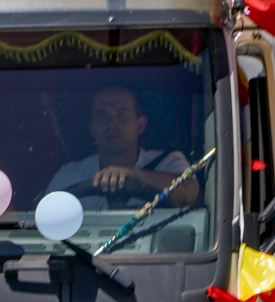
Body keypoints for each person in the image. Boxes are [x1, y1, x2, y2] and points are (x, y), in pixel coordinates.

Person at [47, 85, 196, 210]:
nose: (111, 124)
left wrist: (130, 174)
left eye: (122, 114)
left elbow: (189, 193)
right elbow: (46, 225)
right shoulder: (69, 177)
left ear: (140, 125)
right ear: (91, 129)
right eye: (101, 115)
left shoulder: (168, 162)